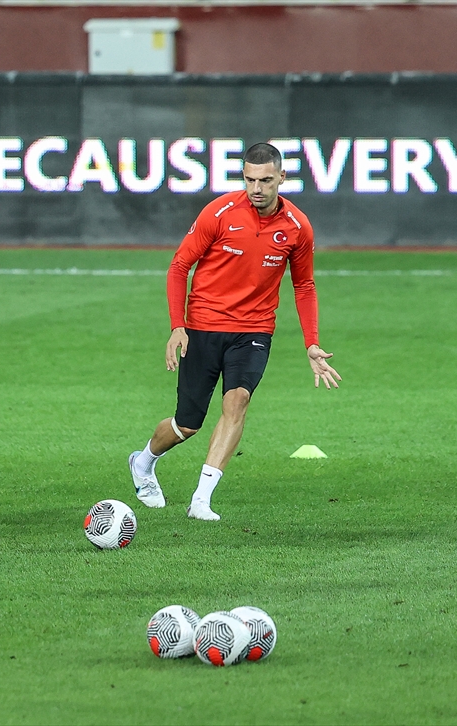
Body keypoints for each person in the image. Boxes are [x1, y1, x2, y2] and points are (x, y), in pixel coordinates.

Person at [127, 142, 341, 521]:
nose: (256, 188)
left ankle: (201, 500)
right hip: (203, 328)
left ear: (281, 178)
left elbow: (304, 286)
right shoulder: (220, 213)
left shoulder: (296, 227)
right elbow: (179, 267)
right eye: (249, 180)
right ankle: (143, 462)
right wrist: (178, 325)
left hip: (254, 331)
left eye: (265, 180)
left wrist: (312, 344)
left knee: (237, 400)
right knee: (187, 424)